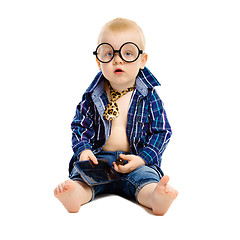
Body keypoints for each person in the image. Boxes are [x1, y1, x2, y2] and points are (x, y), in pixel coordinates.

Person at [54, 18, 178, 215]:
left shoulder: (149, 96)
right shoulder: (92, 96)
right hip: (99, 159)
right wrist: (84, 151)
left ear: (142, 60)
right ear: (98, 61)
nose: (118, 60)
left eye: (128, 53)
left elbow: (162, 131)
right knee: (82, 178)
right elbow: (80, 127)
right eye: (109, 54)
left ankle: (155, 197)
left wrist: (143, 159)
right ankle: (75, 194)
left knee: (146, 179)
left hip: (135, 160)